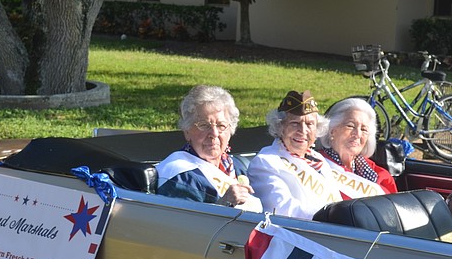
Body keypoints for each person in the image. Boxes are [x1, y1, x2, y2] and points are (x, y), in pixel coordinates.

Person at [156, 85, 262, 212]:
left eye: (221, 125)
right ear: (187, 131)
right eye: (204, 125)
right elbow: (182, 225)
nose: (214, 133)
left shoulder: (236, 167)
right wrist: (224, 203)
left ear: (231, 131)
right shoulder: (179, 175)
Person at [247, 90, 343, 219]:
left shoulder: (318, 160)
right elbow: (282, 209)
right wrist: (331, 218)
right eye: (295, 124)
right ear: (280, 127)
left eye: (309, 124)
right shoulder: (266, 162)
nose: (302, 131)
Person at [319, 97, 397, 196]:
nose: (358, 134)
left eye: (364, 129)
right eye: (350, 126)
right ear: (332, 130)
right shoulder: (317, 166)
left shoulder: (380, 175)